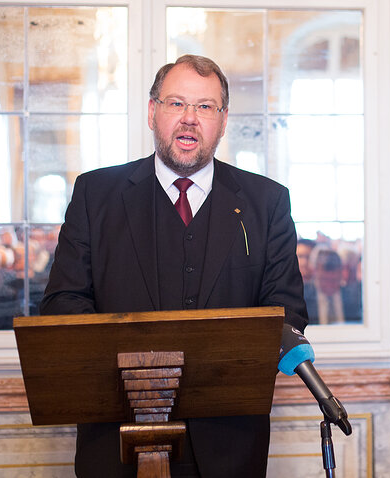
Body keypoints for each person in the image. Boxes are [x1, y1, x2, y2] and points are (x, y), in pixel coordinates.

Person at [40, 55, 308, 477]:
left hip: (229, 448)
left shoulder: (266, 202)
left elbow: (286, 310)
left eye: (205, 107)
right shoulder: (96, 194)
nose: (189, 119)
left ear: (222, 119)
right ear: (152, 112)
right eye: (176, 103)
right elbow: (63, 303)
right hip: (115, 441)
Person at [304, 246, 361, 324]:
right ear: (315, 273)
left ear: (341, 274)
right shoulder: (304, 297)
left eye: (333, 280)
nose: (329, 285)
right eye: (325, 279)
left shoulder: (354, 298)